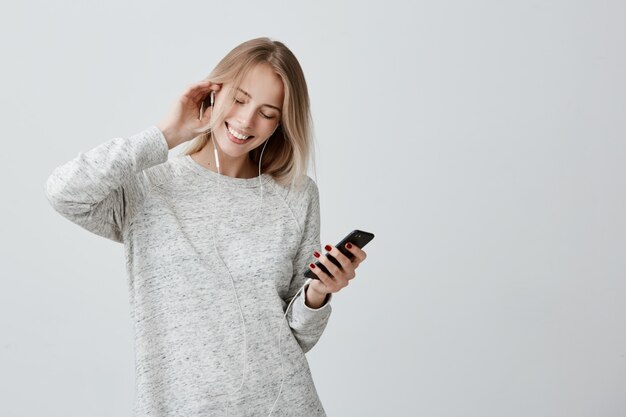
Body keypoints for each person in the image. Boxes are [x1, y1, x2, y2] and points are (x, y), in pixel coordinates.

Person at [44, 37, 368, 416]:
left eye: (267, 112)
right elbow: (64, 192)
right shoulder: (149, 185)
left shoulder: (295, 195)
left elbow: (298, 336)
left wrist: (318, 293)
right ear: (212, 92)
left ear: (280, 124)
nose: (246, 121)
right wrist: (167, 133)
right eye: (240, 98)